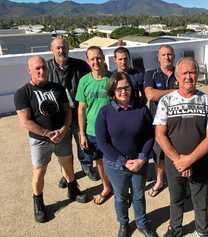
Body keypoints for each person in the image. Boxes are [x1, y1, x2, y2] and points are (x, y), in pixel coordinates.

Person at [14, 56, 87, 223]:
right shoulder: (23, 93)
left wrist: (64, 128)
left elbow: (67, 111)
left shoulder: (58, 88)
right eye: (37, 69)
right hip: (40, 140)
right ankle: (38, 203)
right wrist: (47, 134)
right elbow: (25, 121)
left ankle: (73, 190)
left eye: (44, 68)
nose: (42, 71)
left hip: (62, 135)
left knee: (67, 164)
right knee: (40, 171)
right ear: (30, 71)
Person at [154, 57, 208, 237]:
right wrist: (178, 161)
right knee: (175, 198)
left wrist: (189, 160)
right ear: (177, 76)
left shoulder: (207, 101)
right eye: (184, 73)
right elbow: (160, 134)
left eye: (192, 73)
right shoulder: (166, 101)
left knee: (200, 200)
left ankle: (202, 230)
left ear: (197, 76)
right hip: (173, 163)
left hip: (200, 161)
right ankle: (175, 229)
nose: (188, 77)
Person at [95, 72, 157, 237]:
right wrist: (122, 161)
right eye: (119, 88)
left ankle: (142, 223)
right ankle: (123, 223)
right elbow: (102, 142)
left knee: (138, 194)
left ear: (131, 88)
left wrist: (143, 158)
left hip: (139, 162)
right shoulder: (105, 112)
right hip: (115, 165)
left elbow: (150, 135)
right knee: (121, 197)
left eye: (127, 87)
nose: (123, 91)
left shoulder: (141, 109)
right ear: (112, 91)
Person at [47, 36, 100, 187]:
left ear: (68, 49)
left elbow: (92, 81)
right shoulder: (47, 68)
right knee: (63, 149)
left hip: (78, 114)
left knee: (84, 144)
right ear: (52, 50)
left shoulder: (81, 66)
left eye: (63, 47)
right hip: (59, 118)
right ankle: (67, 174)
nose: (61, 50)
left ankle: (87, 167)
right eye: (58, 48)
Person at [75, 46, 112, 205]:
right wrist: (82, 134)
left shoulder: (112, 79)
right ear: (88, 61)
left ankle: (120, 187)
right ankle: (106, 187)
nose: (96, 61)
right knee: (99, 162)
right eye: (92, 59)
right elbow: (81, 109)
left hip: (111, 130)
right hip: (92, 132)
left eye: (98, 58)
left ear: (103, 57)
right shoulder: (84, 81)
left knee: (115, 160)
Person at [144, 44, 178, 197]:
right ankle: (160, 180)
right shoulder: (150, 74)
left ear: (174, 56)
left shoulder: (180, 73)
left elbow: (188, 93)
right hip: (157, 123)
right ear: (158, 58)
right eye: (163, 55)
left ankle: (176, 181)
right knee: (158, 154)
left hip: (177, 122)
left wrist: (162, 94)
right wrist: (176, 92)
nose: (167, 57)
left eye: (169, 54)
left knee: (176, 152)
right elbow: (151, 95)